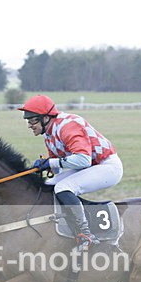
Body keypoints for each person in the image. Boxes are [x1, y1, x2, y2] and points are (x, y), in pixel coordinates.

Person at [17, 94, 123, 249]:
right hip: (91, 166)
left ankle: (85, 234)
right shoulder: (49, 132)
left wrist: (50, 162)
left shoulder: (67, 126)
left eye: (32, 120)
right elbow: (57, 166)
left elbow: (83, 159)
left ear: (46, 118)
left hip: (107, 166)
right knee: (49, 184)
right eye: (27, 120)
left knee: (63, 187)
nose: (29, 125)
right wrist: (43, 167)